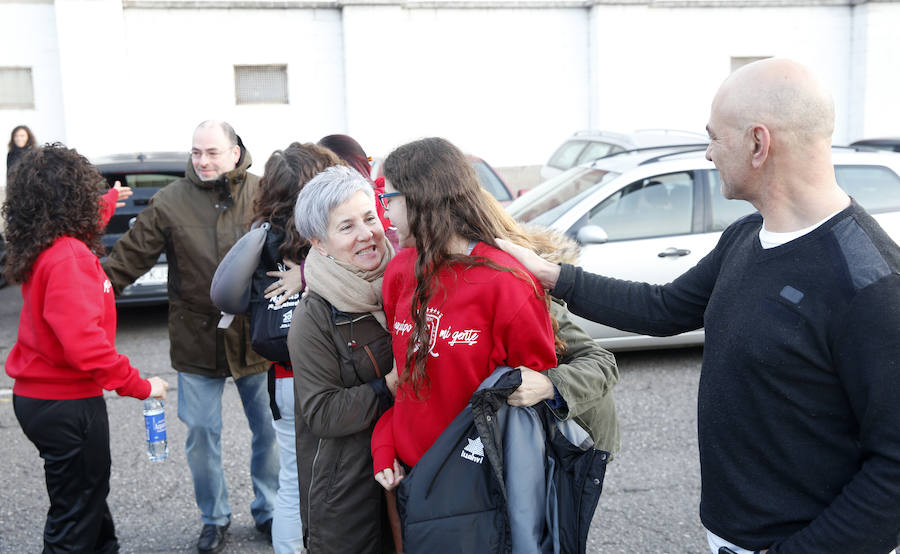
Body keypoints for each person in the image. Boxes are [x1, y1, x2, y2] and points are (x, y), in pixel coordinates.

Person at [498, 57, 900, 553]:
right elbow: (663, 309)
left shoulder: (871, 283)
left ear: (758, 143)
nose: (708, 153)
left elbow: (892, 473)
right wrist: (550, 275)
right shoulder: (746, 237)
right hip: (728, 536)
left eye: (713, 137)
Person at [102, 120, 278, 553]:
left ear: (235, 152)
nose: (202, 161)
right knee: (201, 434)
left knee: (269, 432)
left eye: (212, 152)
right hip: (195, 340)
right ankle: (213, 519)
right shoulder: (169, 202)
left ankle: (270, 510)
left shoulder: (264, 195)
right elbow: (126, 260)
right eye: (197, 152)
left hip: (256, 338)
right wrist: (87, 295)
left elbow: (293, 249)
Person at [3, 143, 168, 552]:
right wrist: (141, 386)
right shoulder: (69, 257)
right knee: (74, 514)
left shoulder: (47, 243)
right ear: (73, 197)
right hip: (66, 406)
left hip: (46, 402)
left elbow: (85, 220)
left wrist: (110, 200)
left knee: (86, 497)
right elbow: (86, 347)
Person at [370, 137, 558, 491]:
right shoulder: (400, 270)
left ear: (420, 198)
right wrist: (385, 445)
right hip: (409, 478)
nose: (386, 214)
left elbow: (532, 401)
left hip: (480, 483)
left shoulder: (507, 283)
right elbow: (406, 386)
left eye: (388, 199)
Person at [211, 142, 342, 554]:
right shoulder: (328, 233)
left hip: (283, 377)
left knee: (292, 478)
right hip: (336, 376)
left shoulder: (260, 237)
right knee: (340, 477)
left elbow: (231, 297)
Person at [288, 165, 398, 553]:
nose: (367, 234)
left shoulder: (407, 282)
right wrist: (388, 387)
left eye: (370, 218)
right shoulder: (314, 316)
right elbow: (322, 412)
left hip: (411, 474)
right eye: (347, 227)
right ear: (319, 242)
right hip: (346, 492)